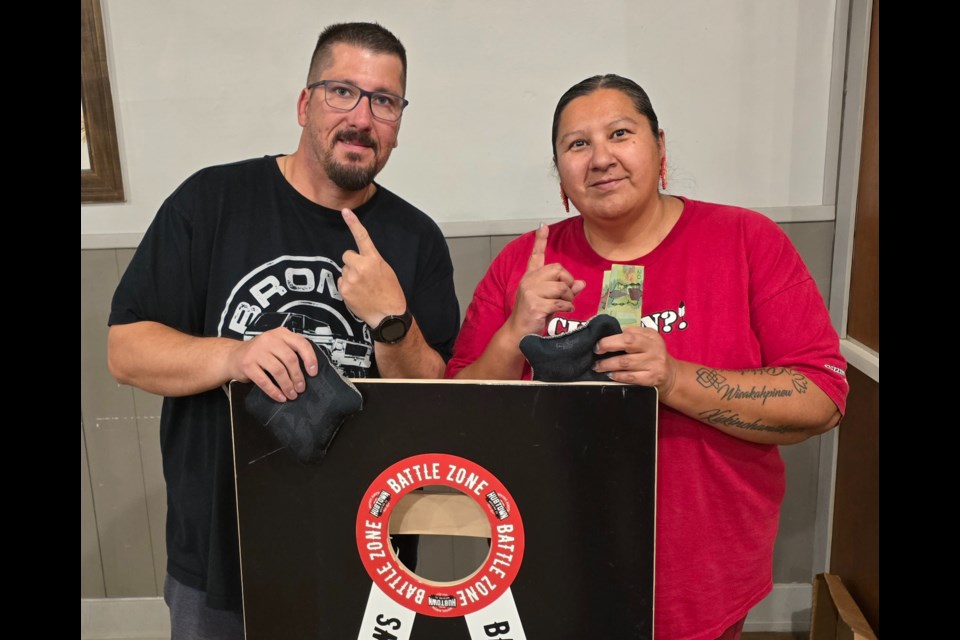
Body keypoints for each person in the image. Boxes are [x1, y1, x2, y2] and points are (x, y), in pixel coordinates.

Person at [446, 74, 849, 640]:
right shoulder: (524, 261)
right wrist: (515, 331)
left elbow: (823, 399)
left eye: (620, 133)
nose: (601, 158)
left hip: (702, 574)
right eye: (577, 143)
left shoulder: (745, 240)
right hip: (550, 563)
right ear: (559, 171)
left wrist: (675, 378)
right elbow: (454, 417)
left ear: (661, 148)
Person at [107, 22, 459, 639]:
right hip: (221, 552)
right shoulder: (211, 201)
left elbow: (433, 397)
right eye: (342, 91)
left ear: (399, 121)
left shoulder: (415, 238)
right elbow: (126, 350)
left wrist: (391, 319)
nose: (361, 117)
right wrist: (236, 357)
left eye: (384, 101)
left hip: (370, 551)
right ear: (304, 103)